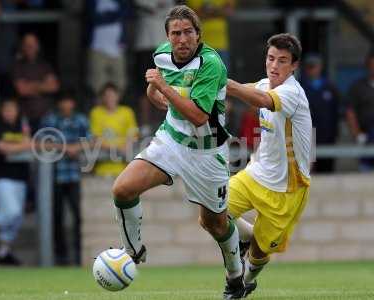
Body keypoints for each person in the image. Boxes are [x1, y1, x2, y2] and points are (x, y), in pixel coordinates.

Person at [111, 5, 243, 299]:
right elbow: (161, 98)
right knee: (122, 189)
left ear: (198, 35)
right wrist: (154, 91)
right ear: (168, 37)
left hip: (206, 153)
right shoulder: (161, 55)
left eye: (187, 33)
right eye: (175, 33)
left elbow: (198, 116)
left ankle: (236, 276)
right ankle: (132, 251)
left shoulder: (211, 64)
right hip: (171, 142)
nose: (181, 39)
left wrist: (162, 87)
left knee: (215, 224)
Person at [226, 33, 312, 298]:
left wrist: (223, 81)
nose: (274, 66)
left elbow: (261, 100)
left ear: (294, 66)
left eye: (282, 61)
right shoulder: (265, 83)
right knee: (211, 209)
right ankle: (246, 236)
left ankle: (245, 283)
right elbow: (248, 90)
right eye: (271, 58)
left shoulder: (292, 93)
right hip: (255, 174)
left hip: (286, 189)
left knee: (261, 252)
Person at [0, 99, 32, 265]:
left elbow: (31, 142)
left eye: (13, 110)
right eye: (6, 109)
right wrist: (23, 146)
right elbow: (2, 147)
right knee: (11, 211)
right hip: (0, 176)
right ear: (2, 111)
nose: (10, 113)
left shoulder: (22, 124)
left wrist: (24, 144)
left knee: (16, 219)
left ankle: (4, 252)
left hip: (20, 177)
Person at [41, 93, 90, 265]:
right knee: (56, 217)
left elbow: (91, 140)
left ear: (73, 102)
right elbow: (41, 141)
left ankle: (78, 255)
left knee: (78, 217)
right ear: (60, 103)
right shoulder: (51, 120)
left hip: (75, 175)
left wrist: (76, 147)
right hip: (55, 176)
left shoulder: (81, 120)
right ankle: (60, 256)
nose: (66, 104)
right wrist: (64, 147)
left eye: (69, 100)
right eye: (63, 100)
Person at [133, 0, 175, 132]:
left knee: (167, 86)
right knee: (143, 86)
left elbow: (172, 13)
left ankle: (168, 124)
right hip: (144, 45)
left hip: (165, 47)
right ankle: (145, 125)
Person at [12, 33, 60, 133]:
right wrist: (43, 85)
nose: (30, 47)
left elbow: (54, 87)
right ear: (22, 47)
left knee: (47, 145)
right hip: (26, 116)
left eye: (33, 44)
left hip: (47, 116)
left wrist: (30, 85)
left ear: (38, 46)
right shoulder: (17, 66)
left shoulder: (45, 65)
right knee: (28, 146)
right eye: (27, 44)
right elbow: (22, 90)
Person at [89, 82, 138, 177]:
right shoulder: (96, 113)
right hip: (102, 169)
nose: (109, 98)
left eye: (112, 95)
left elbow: (134, 134)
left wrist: (127, 145)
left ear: (118, 96)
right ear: (102, 97)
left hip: (124, 168)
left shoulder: (127, 112)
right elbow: (95, 138)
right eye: (106, 95)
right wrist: (117, 148)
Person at [301, 53, 339, 173]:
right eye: (309, 67)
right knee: (307, 171)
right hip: (307, 136)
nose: (312, 70)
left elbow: (338, 110)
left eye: (314, 66)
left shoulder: (329, 87)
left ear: (320, 67)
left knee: (327, 169)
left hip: (327, 135)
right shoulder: (299, 87)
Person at [86, 0, 130, 95]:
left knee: (120, 81)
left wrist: (106, 16)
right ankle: (100, 106)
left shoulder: (119, 2)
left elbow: (126, 13)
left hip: (117, 48)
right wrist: (115, 16)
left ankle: (115, 106)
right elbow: (94, 18)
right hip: (98, 47)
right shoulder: (93, 2)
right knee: (97, 81)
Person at [345, 49, 374, 172]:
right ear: (368, 66)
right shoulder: (358, 87)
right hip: (367, 136)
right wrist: (357, 134)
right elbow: (350, 112)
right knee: (366, 172)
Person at [186, 0, 235, 69]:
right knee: (201, 77)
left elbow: (229, 12)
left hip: (221, 45)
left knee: (222, 77)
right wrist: (219, 10)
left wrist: (207, 10)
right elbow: (193, 15)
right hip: (199, 45)